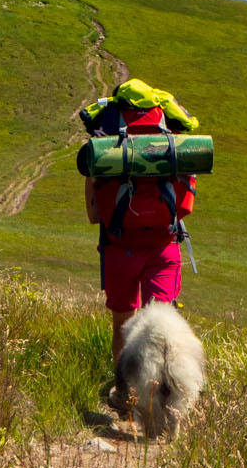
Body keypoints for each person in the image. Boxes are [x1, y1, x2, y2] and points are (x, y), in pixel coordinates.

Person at [81, 78, 200, 364]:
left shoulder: (106, 133)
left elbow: (94, 215)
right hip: (164, 245)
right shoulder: (169, 131)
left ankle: (124, 395)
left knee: (123, 324)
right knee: (160, 329)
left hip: (119, 246)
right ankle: (157, 395)